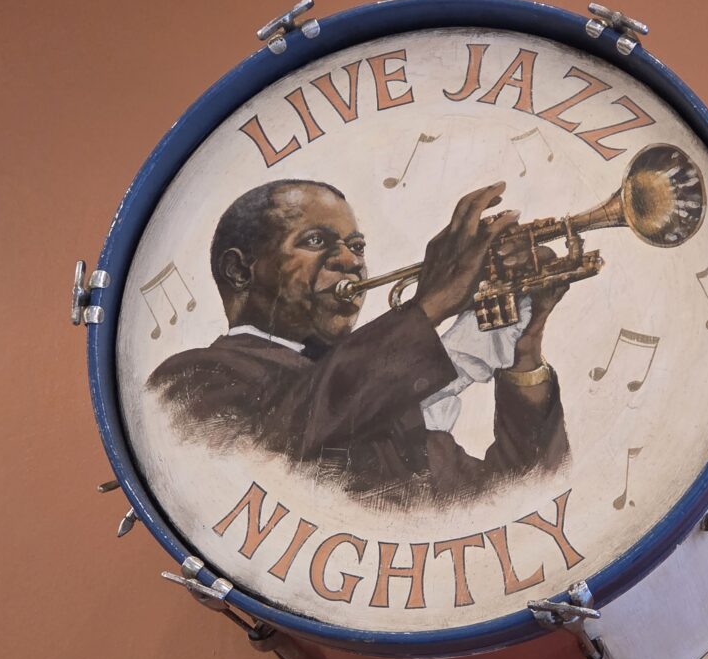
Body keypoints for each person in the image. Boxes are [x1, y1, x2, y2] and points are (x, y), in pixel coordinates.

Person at [148, 179, 570, 510]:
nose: (351, 261)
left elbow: (511, 502)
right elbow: (289, 434)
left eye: (357, 246)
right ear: (240, 271)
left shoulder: (386, 401)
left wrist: (524, 353)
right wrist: (431, 304)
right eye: (316, 241)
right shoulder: (192, 380)